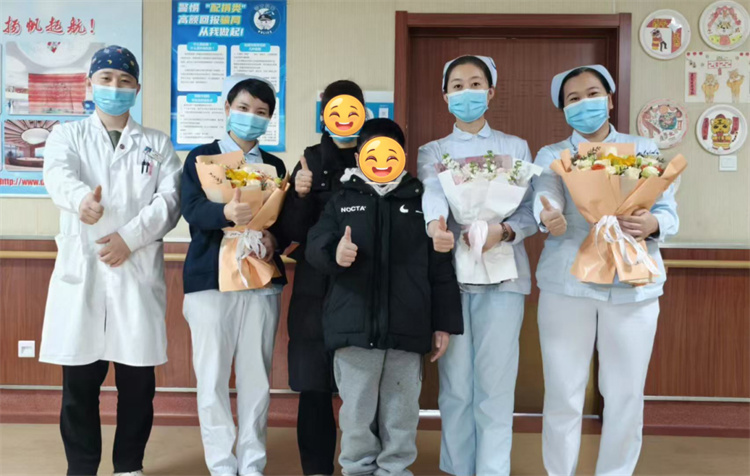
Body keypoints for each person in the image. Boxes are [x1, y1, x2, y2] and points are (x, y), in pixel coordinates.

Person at [40, 45, 181, 476]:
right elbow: (57, 174)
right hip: (83, 272)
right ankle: (82, 467)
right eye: (105, 79)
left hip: (134, 270)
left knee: (137, 385)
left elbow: (170, 201)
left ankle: (128, 467)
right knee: (78, 388)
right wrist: (81, 201)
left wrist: (128, 238)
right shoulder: (67, 136)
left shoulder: (157, 144)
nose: (114, 87)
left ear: (137, 89)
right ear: (90, 84)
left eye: (124, 81)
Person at [533, 64, 679, 476]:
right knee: (563, 391)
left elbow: (667, 210)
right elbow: (545, 193)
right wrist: (549, 214)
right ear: (563, 109)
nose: (585, 103)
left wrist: (652, 223)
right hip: (568, 284)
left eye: (593, 94)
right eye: (573, 98)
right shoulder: (552, 155)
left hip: (633, 287)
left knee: (625, 394)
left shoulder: (643, 148)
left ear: (610, 99)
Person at [306, 119, 463, 476]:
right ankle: (357, 469)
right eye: (371, 152)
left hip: (407, 329)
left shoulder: (423, 202)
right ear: (358, 157)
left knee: (401, 415)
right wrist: (336, 253)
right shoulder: (342, 199)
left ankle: (395, 470)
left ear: (402, 156)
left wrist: (444, 324)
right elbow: (315, 244)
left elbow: (440, 267)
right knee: (357, 414)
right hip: (353, 328)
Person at [417, 55, 537, 476]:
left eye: (475, 84)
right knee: (456, 385)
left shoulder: (515, 148)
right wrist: (435, 225)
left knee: (496, 384)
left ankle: (492, 469)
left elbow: (529, 210)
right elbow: (432, 193)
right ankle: (456, 468)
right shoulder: (434, 151)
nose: (466, 92)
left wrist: (505, 231)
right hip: (452, 276)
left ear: (490, 92)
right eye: (457, 85)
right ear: (445, 95)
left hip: (505, 277)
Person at [180, 74, 286, 476]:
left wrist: (273, 240)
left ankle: (252, 462)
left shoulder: (274, 165)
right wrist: (224, 212)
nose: (251, 117)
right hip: (210, 280)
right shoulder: (201, 158)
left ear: (269, 119)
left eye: (261, 112)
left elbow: (281, 221)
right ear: (227, 109)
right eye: (243, 108)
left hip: (259, 281)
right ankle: (222, 464)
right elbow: (190, 208)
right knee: (211, 377)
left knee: (257, 378)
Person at [273, 80, 365, 476]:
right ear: (324, 114)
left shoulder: (377, 154)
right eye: (334, 108)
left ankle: (363, 467)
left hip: (362, 289)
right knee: (314, 387)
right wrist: (299, 195)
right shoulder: (309, 159)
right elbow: (289, 233)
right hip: (315, 292)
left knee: (364, 390)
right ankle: (316, 470)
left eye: (351, 108)